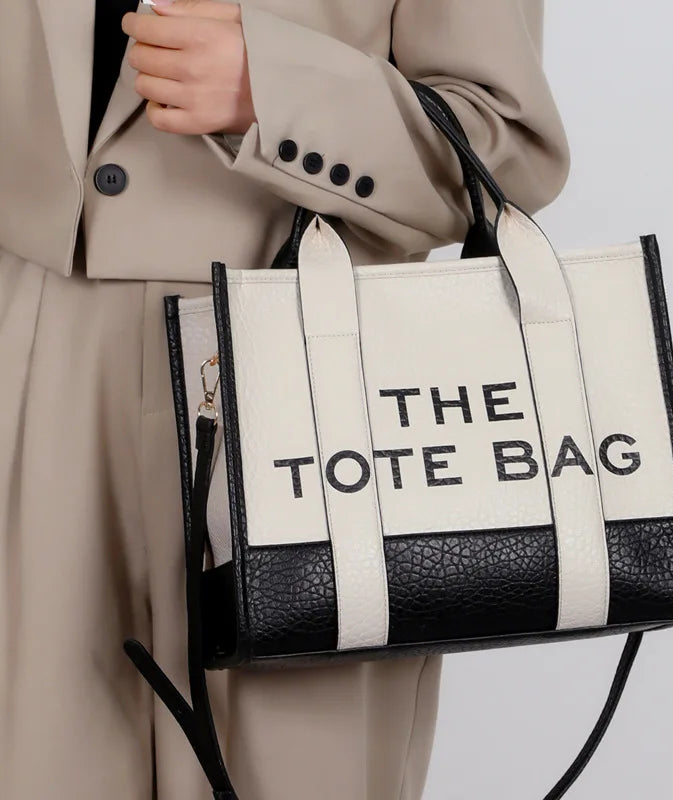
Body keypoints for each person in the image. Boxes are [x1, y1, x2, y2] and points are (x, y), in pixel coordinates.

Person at [0, 0, 570, 797]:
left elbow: (509, 148)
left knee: (289, 770)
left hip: (304, 369)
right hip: (32, 351)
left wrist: (279, 90)